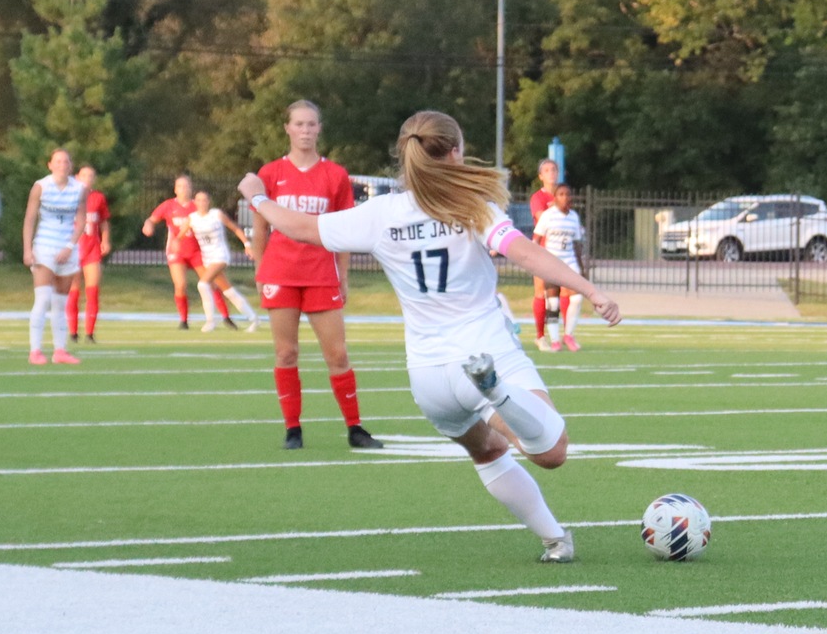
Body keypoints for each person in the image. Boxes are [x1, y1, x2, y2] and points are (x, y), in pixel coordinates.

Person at [239, 109, 621, 562]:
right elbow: (526, 254)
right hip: (481, 353)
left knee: (488, 451)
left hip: (428, 379)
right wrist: (589, 289)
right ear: (456, 152)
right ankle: (497, 392)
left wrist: (258, 197)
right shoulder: (471, 206)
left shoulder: (381, 214)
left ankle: (555, 539)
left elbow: (300, 228)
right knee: (551, 450)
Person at [251, 99, 379, 451]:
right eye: (299, 124)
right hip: (281, 272)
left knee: (337, 355)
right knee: (286, 352)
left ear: (319, 129)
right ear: (287, 128)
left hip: (321, 273)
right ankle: (293, 429)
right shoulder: (270, 173)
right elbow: (260, 227)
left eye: (311, 124)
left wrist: (343, 275)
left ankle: (355, 427)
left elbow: (345, 232)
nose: (305, 130)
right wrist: (261, 271)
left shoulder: (334, 175)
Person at [21, 149, 85, 366]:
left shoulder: (79, 189)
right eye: (57, 161)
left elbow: (82, 219)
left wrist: (69, 246)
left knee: (60, 302)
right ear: (50, 165)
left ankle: (60, 350)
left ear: (71, 165)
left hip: (66, 248)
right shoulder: (41, 186)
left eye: (66, 161)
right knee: (43, 299)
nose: (62, 165)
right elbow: (30, 219)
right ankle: (35, 350)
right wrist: (28, 250)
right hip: (44, 246)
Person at [186, 191, 259, 332]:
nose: (202, 203)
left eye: (205, 200)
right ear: (194, 202)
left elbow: (235, 228)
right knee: (228, 291)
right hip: (207, 258)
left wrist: (247, 245)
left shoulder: (216, 214)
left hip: (220, 255)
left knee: (203, 284)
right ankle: (254, 318)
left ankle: (210, 321)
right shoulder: (192, 218)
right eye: (199, 200)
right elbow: (180, 237)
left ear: (209, 202)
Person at [142, 175, 205, 330]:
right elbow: (151, 219)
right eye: (180, 186)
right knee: (180, 284)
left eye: (187, 186)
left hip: (197, 250)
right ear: (175, 189)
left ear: (191, 188)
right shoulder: (169, 205)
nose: (184, 189)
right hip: (176, 251)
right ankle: (183, 320)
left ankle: (224, 317)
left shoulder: (197, 206)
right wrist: (148, 225)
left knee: (208, 283)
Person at [533, 183, 588, 351]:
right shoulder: (548, 216)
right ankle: (555, 340)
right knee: (553, 303)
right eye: (561, 194)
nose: (565, 197)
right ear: (555, 198)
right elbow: (535, 240)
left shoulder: (574, 217)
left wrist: (582, 267)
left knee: (577, 298)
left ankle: (568, 335)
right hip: (552, 262)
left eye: (567, 194)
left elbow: (577, 244)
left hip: (570, 262)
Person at [65, 164, 111, 343]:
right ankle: (73, 332)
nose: (87, 178)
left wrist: (105, 240)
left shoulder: (98, 197)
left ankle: (90, 333)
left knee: (92, 291)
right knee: (73, 292)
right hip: (74, 250)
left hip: (92, 250)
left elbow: (104, 221)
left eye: (90, 176)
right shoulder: (68, 196)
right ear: (77, 177)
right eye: (84, 175)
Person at [527, 157, 561, 347]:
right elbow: (544, 220)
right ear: (541, 176)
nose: (551, 173)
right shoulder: (538, 198)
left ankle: (560, 336)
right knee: (541, 292)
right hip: (544, 250)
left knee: (564, 294)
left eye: (554, 169)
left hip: (562, 251)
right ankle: (540, 336)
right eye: (547, 170)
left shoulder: (562, 195)